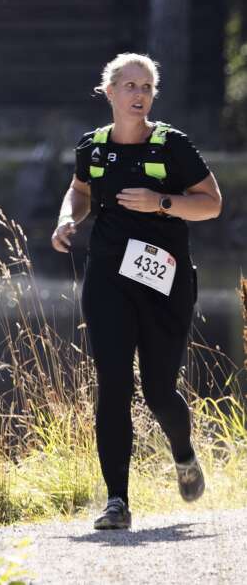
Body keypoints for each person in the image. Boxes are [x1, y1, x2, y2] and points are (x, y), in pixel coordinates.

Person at [51, 53, 222, 531]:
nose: (138, 94)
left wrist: (161, 203)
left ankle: (184, 454)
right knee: (114, 387)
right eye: (128, 85)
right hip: (107, 277)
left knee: (159, 390)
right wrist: (68, 218)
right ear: (109, 93)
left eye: (145, 86)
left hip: (163, 280)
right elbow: (80, 191)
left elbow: (211, 205)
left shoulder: (172, 146)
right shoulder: (94, 147)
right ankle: (117, 502)